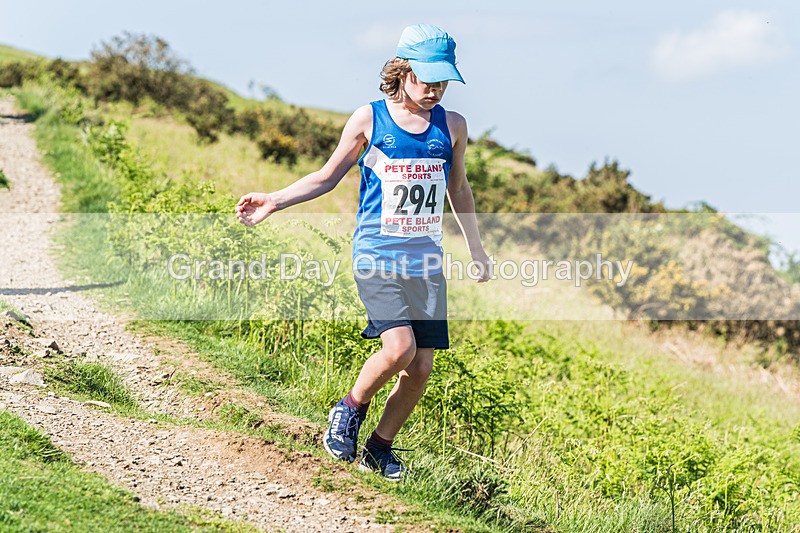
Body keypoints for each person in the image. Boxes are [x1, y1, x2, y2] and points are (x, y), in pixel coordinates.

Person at [235, 23, 491, 480]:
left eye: (443, 81)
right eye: (426, 79)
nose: (434, 89)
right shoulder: (370, 118)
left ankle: (379, 448)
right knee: (400, 349)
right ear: (402, 69)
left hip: (426, 261)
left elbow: (459, 188)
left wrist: (476, 248)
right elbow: (327, 175)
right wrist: (275, 199)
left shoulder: (452, 126)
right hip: (378, 253)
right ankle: (349, 408)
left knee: (422, 367)